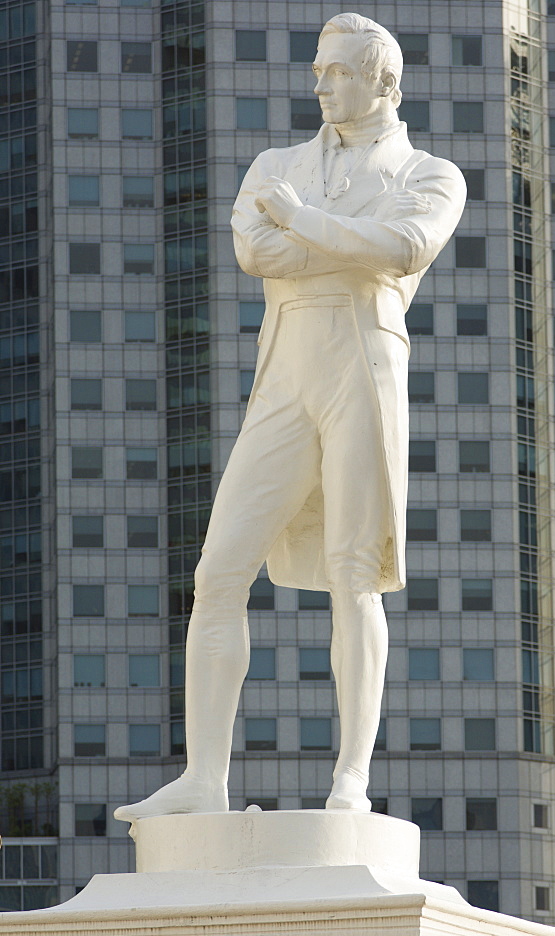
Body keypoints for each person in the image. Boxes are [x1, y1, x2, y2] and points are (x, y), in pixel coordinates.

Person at [114, 12, 466, 823]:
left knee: (353, 573)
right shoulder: (277, 163)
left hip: (363, 367)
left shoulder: (431, 172)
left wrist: (303, 221)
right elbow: (252, 253)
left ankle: (350, 780)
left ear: (383, 80)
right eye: (318, 69)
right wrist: (343, 242)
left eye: (336, 70)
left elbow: (402, 247)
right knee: (217, 571)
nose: (319, 83)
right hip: (285, 370)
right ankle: (204, 779)